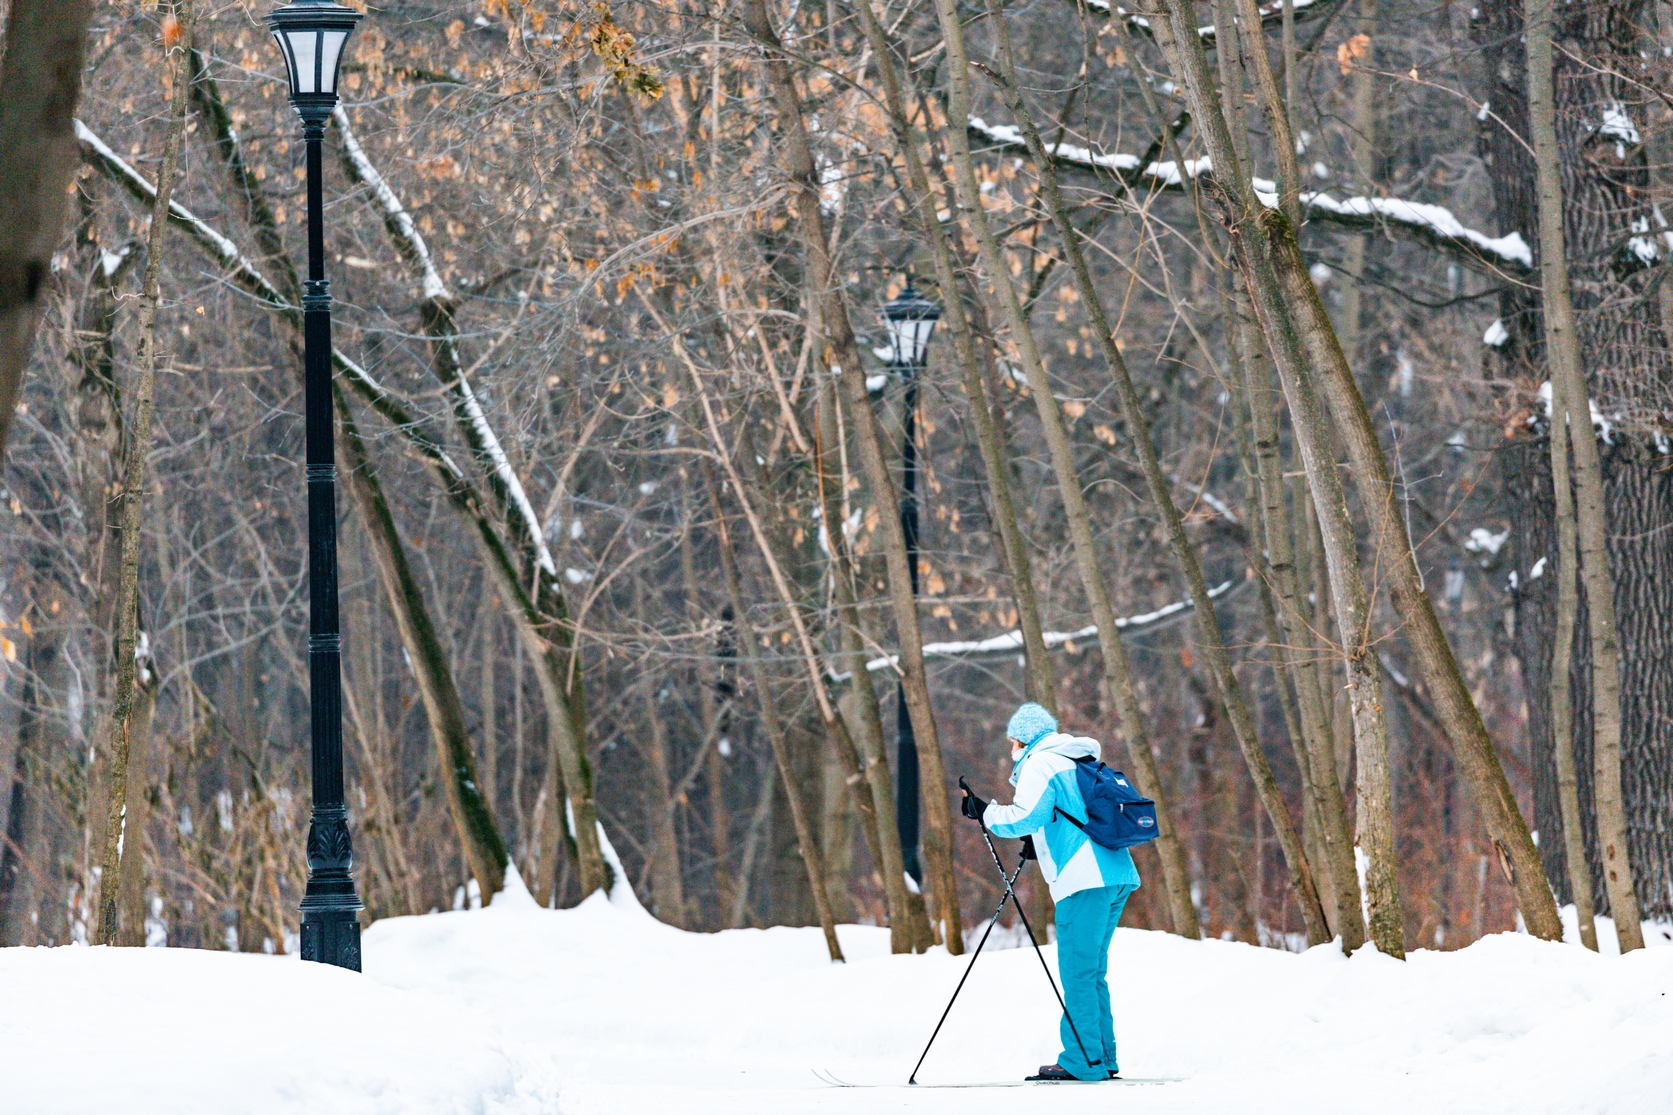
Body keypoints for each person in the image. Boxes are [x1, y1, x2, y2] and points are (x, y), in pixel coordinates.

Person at [960, 702, 1140, 1082]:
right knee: (1091, 972)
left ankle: (1081, 1061)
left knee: (1078, 972)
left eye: (1012, 743)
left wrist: (985, 811)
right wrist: (1039, 845)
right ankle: (1101, 1058)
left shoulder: (1040, 762)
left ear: (1024, 740)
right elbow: (1061, 815)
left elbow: (1027, 815)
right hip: (1115, 873)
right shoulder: (1075, 758)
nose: (1011, 751)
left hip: (1083, 879)